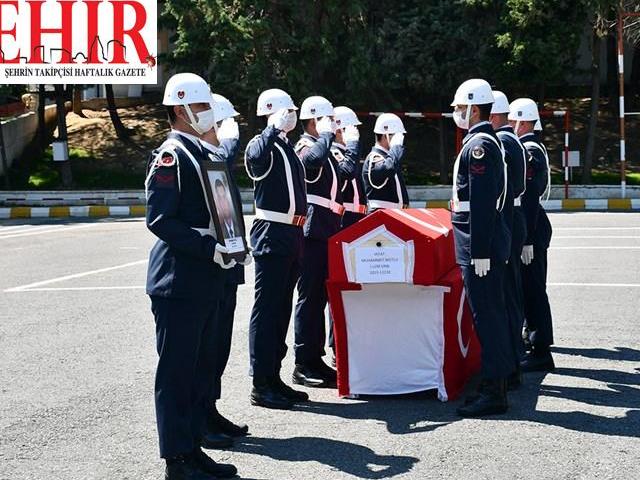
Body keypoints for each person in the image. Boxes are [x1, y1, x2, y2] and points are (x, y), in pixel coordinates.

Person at [145, 73, 238, 480]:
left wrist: (230, 244)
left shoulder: (198, 151)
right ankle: (177, 461)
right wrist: (208, 248)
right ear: (180, 111)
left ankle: (192, 450)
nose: (208, 115)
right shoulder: (172, 155)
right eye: (201, 108)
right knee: (177, 373)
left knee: (198, 368)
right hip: (179, 280)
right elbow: (160, 219)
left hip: (203, 277)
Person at [449, 79, 512, 418]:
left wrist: (480, 251)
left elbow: (485, 203)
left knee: (487, 316)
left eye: (460, 108)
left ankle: (494, 389)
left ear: (474, 108)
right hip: (479, 242)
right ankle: (495, 383)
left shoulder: (480, 146)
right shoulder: (482, 141)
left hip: (479, 244)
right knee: (489, 314)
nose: (457, 114)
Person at [244, 88, 310, 409]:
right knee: (267, 308)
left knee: (282, 308)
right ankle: (260, 382)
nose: (292, 116)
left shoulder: (286, 148)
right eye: (287, 112)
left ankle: (274, 376)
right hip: (272, 232)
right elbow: (254, 158)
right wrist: (271, 128)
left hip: (292, 234)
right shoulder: (262, 145)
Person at [199, 93, 251, 447]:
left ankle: (211, 408)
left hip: (226, 262)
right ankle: (201, 418)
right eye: (223, 123)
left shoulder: (217, 156)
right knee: (206, 345)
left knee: (219, 343)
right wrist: (226, 149)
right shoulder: (202, 156)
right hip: (208, 265)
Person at [292, 96, 353, 388]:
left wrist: (348, 149)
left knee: (320, 299)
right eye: (327, 119)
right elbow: (310, 162)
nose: (333, 125)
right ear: (315, 120)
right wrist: (327, 135)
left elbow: (344, 175)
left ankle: (315, 359)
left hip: (326, 230)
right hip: (312, 231)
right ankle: (303, 362)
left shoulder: (324, 149)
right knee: (310, 299)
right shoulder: (306, 146)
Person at [509, 98, 555, 373]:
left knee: (534, 289)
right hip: (532, 225)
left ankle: (541, 350)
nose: (511, 125)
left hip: (532, 227)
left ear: (523, 121)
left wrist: (525, 238)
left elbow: (529, 197)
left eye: (513, 120)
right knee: (530, 288)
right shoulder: (529, 148)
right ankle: (534, 339)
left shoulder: (529, 150)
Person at [489, 90, 528, 389]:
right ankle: (514, 358)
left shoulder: (502, 141)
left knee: (506, 296)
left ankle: (512, 360)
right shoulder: (512, 140)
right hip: (514, 219)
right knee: (511, 293)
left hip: (507, 219)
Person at [362, 113, 409, 210]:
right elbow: (389, 168)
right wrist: (396, 147)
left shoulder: (390, 158)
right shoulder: (374, 158)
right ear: (385, 136)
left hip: (393, 214)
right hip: (380, 215)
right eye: (396, 136)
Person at [333, 106, 367, 229]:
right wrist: (352, 144)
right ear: (338, 131)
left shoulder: (348, 153)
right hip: (345, 217)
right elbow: (347, 171)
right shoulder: (333, 152)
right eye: (352, 128)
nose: (355, 132)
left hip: (356, 217)